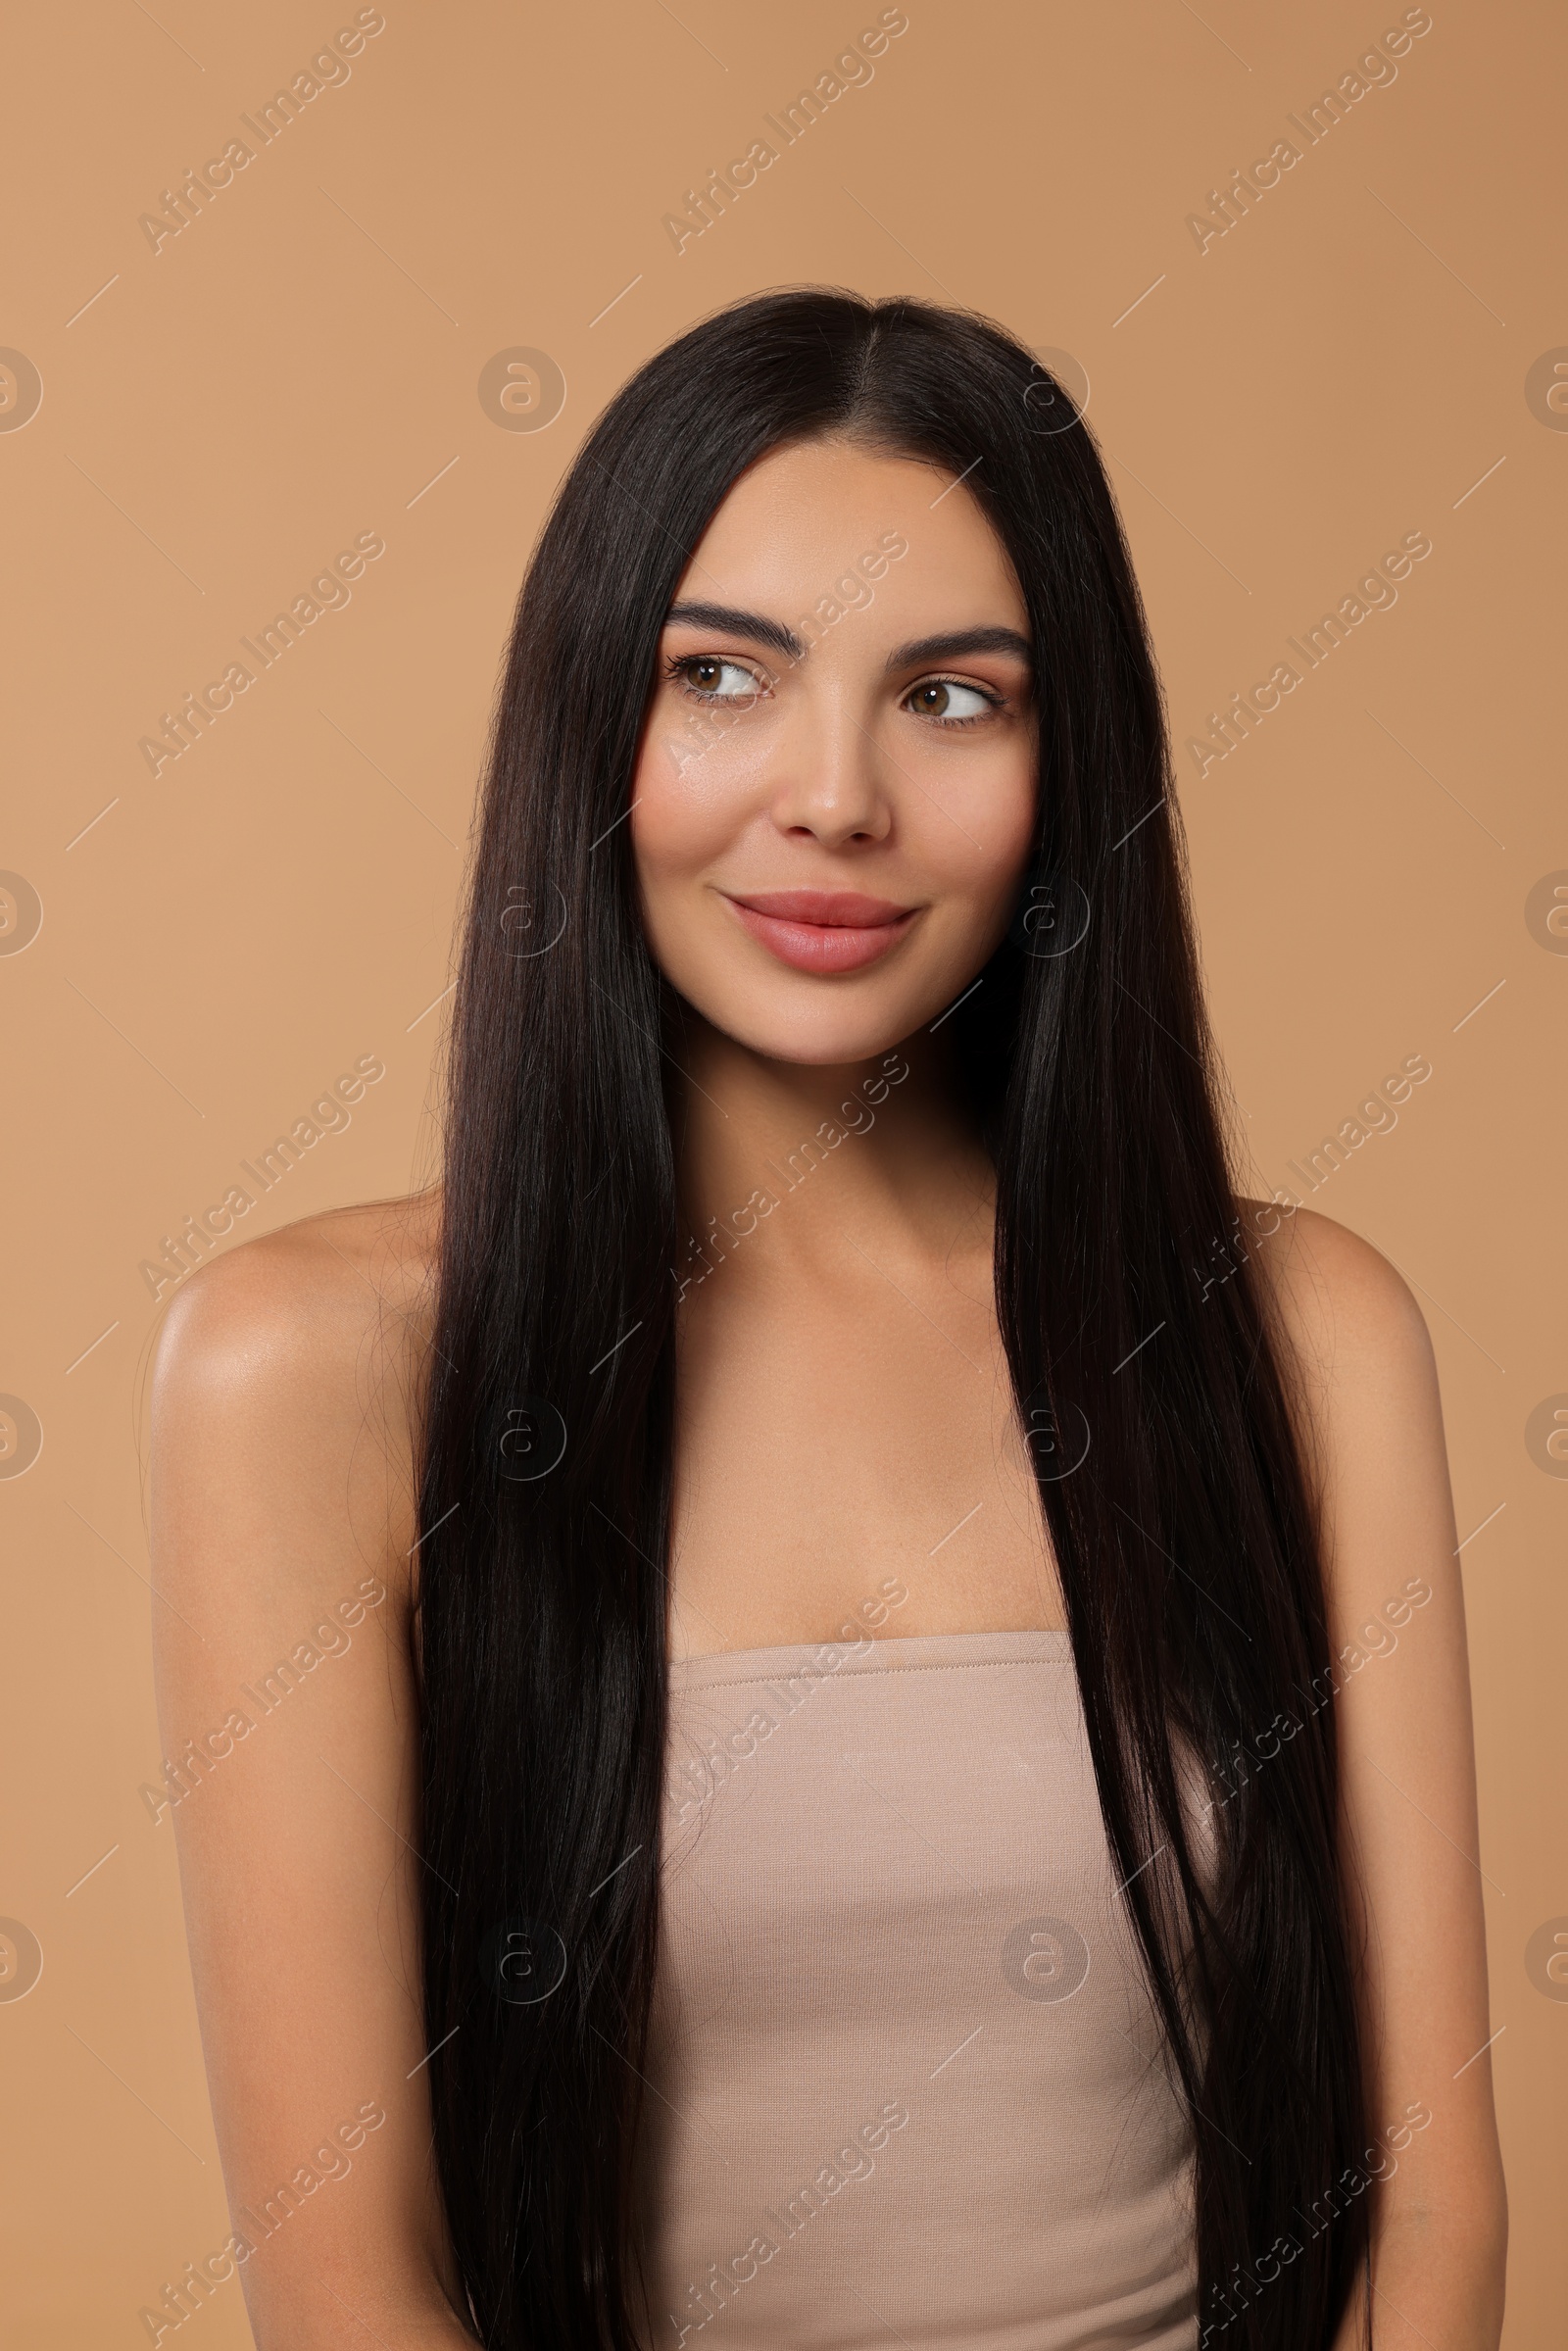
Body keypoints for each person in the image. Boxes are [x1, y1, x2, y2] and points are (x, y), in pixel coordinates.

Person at [149, 289, 1505, 2351]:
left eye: (952, 699)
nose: (832, 798)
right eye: (721, 680)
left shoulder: (1300, 1336)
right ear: (588, 720)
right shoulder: (312, 1370)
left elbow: (1427, 2236)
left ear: (1074, 767)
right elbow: (353, 2296)